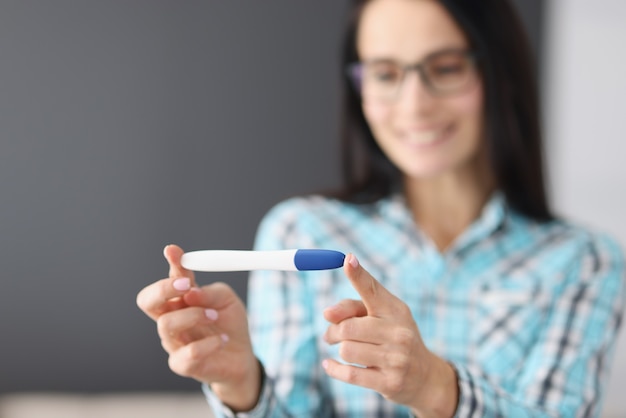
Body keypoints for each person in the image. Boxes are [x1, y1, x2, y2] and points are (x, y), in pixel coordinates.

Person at [137, 0, 626, 416]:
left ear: (499, 74)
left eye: (446, 68)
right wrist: (243, 385)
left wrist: (436, 387)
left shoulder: (585, 261)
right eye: (386, 74)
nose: (414, 105)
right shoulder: (299, 229)